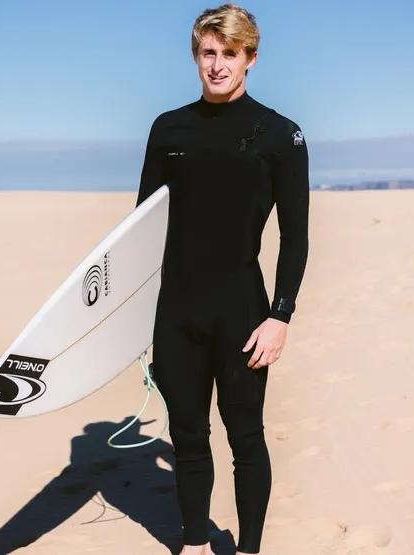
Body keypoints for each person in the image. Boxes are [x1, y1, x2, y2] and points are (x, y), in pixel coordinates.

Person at [135, 4, 309, 554]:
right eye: (208, 53)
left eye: (229, 54)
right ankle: (193, 544)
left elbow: (295, 236)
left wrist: (280, 316)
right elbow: (141, 230)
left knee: (245, 436)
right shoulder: (168, 129)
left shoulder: (280, 134)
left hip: (242, 312)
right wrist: (135, 321)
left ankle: (250, 548)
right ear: (196, 55)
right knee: (187, 435)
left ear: (250, 58)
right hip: (176, 313)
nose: (217, 65)